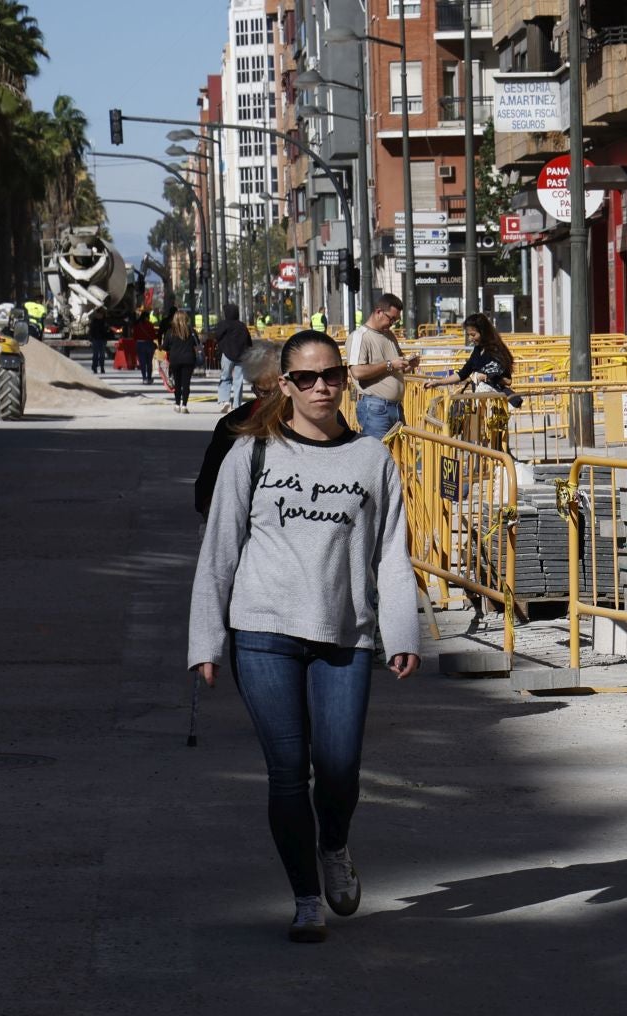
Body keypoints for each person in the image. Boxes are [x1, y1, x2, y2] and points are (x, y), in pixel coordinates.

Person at [187, 329, 420, 944]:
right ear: (284, 385)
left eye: (333, 375)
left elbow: (392, 552)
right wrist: (205, 640)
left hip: (344, 634)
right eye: (308, 378)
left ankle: (335, 845)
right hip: (263, 632)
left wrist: (402, 629)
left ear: (346, 378)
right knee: (289, 773)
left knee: (339, 768)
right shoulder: (252, 452)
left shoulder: (371, 458)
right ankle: (305, 898)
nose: (322, 388)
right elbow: (219, 550)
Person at [195, 339, 281, 517]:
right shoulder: (233, 424)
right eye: (264, 391)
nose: (272, 400)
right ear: (254, 387)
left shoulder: (314, 422)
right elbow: (206, 487)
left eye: (278, 392)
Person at [347, 293, 418, 441]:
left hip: (395, 407)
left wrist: (409, 365)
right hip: (375, 408)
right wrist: (390, 365)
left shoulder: (389, 335)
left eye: (396, 320)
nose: (392, 323)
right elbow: (357, 371)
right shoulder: (360, 336)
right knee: (377, 456)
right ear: (379, 312)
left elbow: (398, 367)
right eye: (391, 318)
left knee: (399, 459)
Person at [424, 312, 514, 396]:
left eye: (473, 335)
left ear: (483, 332)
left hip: (495, 405)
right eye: (468, 335)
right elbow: (462, 374)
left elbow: (508, 380)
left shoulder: (496, 350)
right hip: (481, 403)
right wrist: (437, 382)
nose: (470, 338)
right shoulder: (478, 350)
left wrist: (487, 377)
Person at [214, 304, 253, 409]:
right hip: (240, 356)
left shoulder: (223, 324)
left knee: (225, 377)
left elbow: (217, 336)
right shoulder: (242, 326)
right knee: (238, 381)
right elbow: (249, 342)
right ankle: (237, 404)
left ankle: (225, 400)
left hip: (227, 355)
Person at [161, 310, 201, 413]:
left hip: (175, 360)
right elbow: (197, 345)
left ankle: (177, 404)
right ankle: (184, 405)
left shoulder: (170, 332)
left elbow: (165, 347)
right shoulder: (191, 331)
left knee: (177, 383)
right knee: (186, 384)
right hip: (189, 359)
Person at [131, 313, 158, 386]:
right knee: (149, 362)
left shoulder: (137, 325)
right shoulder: (150, 325)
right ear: (147, 317)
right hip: (149, 344)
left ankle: (144, 378)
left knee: (142, 363)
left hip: (140, 344)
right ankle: (149, 378)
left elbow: (134, 336)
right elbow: (153, 336)